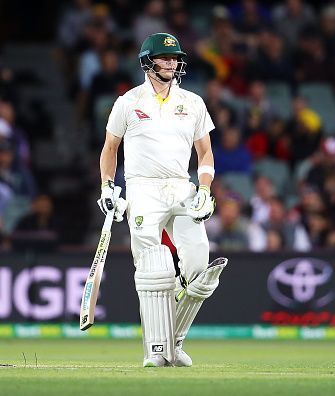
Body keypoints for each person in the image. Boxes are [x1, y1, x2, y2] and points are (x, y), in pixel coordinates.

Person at [97, 32, 226, 368]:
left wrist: (206, 188)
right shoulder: (127, 102)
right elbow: (110, 148)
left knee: (199, 266)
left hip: (181, 186)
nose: (172, 63)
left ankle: (174, 340)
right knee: (154, 269)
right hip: (143, 187)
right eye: (165, 58)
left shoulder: (194, 102)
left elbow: (205, 151)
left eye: (175, 58)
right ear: (147, 62)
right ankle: (157, 350)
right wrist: (108, 187)